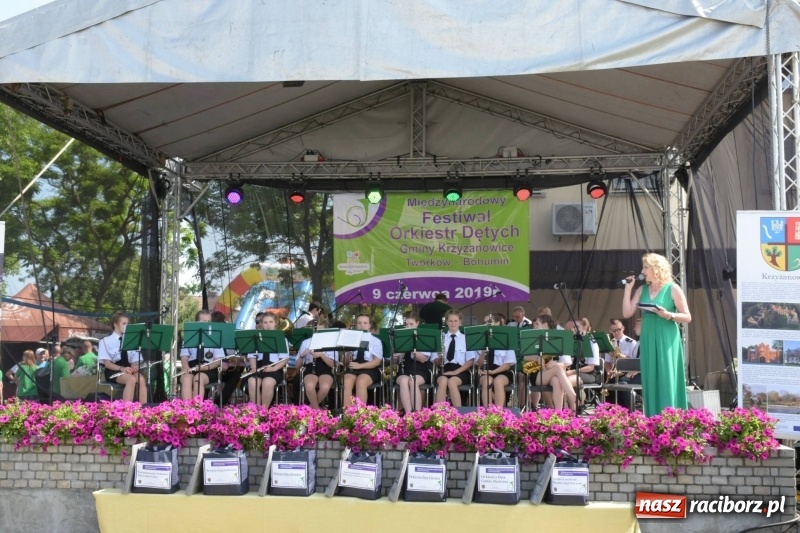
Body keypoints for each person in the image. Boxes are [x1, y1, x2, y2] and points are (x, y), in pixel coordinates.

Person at [622, 252, 691, 416]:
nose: (643, 271)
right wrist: (628, 289)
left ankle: (671, 416)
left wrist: (668, 315)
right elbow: (627, 313)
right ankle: (652, 418)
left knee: (667, 375)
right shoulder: (642, 289)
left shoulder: (673, 289)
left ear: (656, 269)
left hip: (666, 336)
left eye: (646, 267)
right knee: (650, 377)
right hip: (648, 336)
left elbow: (687, 317)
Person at [524, 314, 577, 410]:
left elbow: (565, 364)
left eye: (537, 324)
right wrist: (537, 358)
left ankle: (558, 413)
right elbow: (525, 356)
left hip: (553, 373)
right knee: (557, 369)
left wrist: (555, 364)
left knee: (557, 381)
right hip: (536, 374)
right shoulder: (533, 337)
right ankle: (574, 397)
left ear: (545, 325)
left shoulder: (558, 338)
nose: (535, 326)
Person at [97, 312, 147, 403]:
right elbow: (107, 364)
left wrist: (134, 366)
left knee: (141, 379)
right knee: (131, 379)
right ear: (115, 325)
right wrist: (122, 368)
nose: (126, 326)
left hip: (129, 369)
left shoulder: (132, 339)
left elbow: (133, 360)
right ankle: (126, 409)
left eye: (127, 324)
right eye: (124, 324)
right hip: (114, 370)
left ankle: (144, 408)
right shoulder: (105, 341)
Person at [246, 312, 292, 408]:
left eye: (271, 322)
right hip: (259, 366)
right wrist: (253, 366)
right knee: (252, 382)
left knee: (267, 383)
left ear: (275, 323)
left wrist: (273, 368)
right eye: (265, 322)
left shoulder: (282, 338)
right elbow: (252, 356)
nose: (268, 325)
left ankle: (264, 410)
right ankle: (256, 411)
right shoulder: (256, 337)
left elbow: (284, 359)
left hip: (275, 367)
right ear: (262, 324)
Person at [394, 313, 436, 413]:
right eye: (407, 324)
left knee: (413, 381)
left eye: (411, 324)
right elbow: (395, 361)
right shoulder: (400, 338)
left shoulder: (424, 338)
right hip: (405, 369)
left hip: (421, 370)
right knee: (404, 381)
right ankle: (409, 414)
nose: (408, 327)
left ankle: (416, 413)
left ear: (417, 323)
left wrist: (412, 347)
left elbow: (423, 359)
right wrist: (396, 355)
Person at [179, 310, 225, 400]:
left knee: (198, 378)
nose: (206, 324)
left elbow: (218, 360)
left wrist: (206, 367)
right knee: (186, 379)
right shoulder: (189, 337)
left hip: (209, 368)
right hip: (192, 366)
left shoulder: (215, 337)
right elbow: (184, 357)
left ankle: (197, 406)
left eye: (208, 322)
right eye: (204, 322)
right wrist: (186, 367)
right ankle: (187, 407)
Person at [434, 310, 476, 407]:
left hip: (461, 370)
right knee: (443, 381)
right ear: (447, 322)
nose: (453, 323)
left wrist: (456, 372)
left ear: (460, 322)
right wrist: (440, 357)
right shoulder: (441, 338)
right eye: (450, 321)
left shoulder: (466, 338)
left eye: (455, 321)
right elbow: (436, 363)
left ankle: (458, 412)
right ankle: (439, 412)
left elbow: (470, 361)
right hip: (445, 368)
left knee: (452, 382)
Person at [295, 317, 338, 409]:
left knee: (325, 388)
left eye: (320, 331)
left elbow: (334, 364)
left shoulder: (331, 342)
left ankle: (310, 409)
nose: (318, 333)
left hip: (326, 367)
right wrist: (302, 355)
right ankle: (317, 410)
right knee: (309, 386)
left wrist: (322, 355)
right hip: (310, 367)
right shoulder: (306, 342)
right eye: (316, 330)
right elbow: (297, 366)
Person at [343, 314, 384, 405]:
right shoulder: (351, 339)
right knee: (346, 381)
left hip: (370, 368)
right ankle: (347, 411)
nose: (362, 325)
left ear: (369, 325)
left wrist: (360, 366)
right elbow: (345, 362)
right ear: (356, 325)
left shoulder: (376, 341)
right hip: (354, 366)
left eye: (365, 323)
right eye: (359, 323)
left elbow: (377, 361)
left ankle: (360, 412)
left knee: (361, 381)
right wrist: (349, 351)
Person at [477, 314, 515, 407]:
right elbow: (479, 364)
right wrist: (483, 352)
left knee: (498, 381)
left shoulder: (506, 339)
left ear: (498, 323)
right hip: (485, 371)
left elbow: (507, 364)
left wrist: (493, 372)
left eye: (489, 322)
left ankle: (498, 411)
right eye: (485, 322)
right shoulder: (480, 340)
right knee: (487, 381)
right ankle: (487, 410)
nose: (487, 324)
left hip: (502, 371)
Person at [564, 318, 602, 407]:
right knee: (559, 380)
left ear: (585, 327)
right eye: (573, 327)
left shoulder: (592, 343)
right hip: (574, 371)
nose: (574, 329)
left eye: (577, 327)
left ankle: (574, 408)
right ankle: (567, 408)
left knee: (567, 382)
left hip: (589, 374)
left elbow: (590, 367)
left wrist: (572, 372)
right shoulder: (572, 341)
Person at [606, 318, 640, 409]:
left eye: (618, 330)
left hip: (626, 371)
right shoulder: (610, 343)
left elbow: (633, 362)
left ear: (623, 328)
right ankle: (611, 410)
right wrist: (608, 371)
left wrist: (619, 355)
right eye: (613, 331)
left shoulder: (631, 343)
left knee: (621, 383)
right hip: (614, 372)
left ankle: (626, 409)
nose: (616, 332)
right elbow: (607, 362)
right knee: (609, 385)